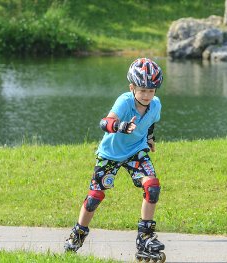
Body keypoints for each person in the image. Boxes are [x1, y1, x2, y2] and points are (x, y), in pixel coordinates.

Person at [64, 58, 167, 262]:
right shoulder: (124, 101)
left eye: (151, 90)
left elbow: (151, 123)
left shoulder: (155, 105)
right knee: (94, 197)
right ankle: (78, 234)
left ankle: (144, 238)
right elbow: (105, 122)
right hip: (110, 155)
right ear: (132, 87)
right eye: (142, 90)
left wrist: (149, 138)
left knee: (152, 187)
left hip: (136, 151)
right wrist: (120, 126)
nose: (147, 95)